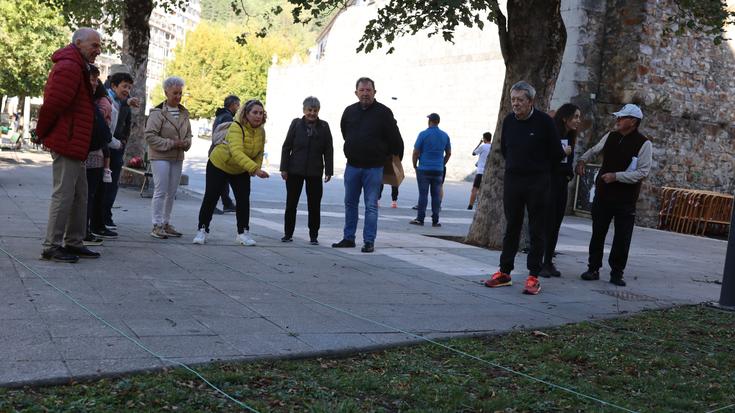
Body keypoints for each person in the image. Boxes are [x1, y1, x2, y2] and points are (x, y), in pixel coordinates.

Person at [483, 81, 565, 295]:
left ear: (531, 101)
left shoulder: (545, 122)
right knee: (512, 226)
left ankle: (533, 276)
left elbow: (557, 154)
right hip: (513, 181)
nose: (516, 104)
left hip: (538, 182)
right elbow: (504, 150)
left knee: (536, 228)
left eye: (520, 100)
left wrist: (539, 169)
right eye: (513, 100)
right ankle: (504, 272)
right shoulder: (509, 121)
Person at [36, 28, 102, 262]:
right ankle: (51, 245)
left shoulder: (77, 65)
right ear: (78, 43)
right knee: (64, 195)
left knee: (79, 195)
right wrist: (41, 132)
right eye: (94, 45)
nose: (98, 50)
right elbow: (53, 104)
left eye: (99, 45)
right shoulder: (69, 66)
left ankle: (73, 241)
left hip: (75, 142)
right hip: (68, 140)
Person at [576, 104, 652, 287]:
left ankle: (617, 272)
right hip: (604, 194)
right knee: (597, 233)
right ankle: (593, 268)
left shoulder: (644, 143)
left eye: (621, 118)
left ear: (633, 121)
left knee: (622, 237)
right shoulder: (611, 136)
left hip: (625, 199)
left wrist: (617, 177)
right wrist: (582, 159)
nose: (617, 120)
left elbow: (643, 172)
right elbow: (596, 149)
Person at [332, 77, 404, 253]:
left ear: (374, 92)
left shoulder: (384, 113)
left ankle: (369, 241)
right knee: (350, 203)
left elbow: (395, 139)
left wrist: (390, 157)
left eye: (368, 90)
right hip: (352, 167)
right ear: (356, 92)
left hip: (374, 168)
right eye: (362, 90)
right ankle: (349, 238)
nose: (365, 93)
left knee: (371, 205)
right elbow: (344, 132)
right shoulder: (349, 111)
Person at [193, 99, 270, 245]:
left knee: (243, 200)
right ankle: (202, 230)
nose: (258, 116)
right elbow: (236, 152)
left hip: (241, 168)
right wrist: (255, 168)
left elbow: (259, 152)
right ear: (246, 114)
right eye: (254, 112)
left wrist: (255, 167)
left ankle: (243, 233)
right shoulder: (236, 127)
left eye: (261, 113)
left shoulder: (261, 131)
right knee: (211, 197)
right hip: (220, 164)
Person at [279, 96, 334, 245]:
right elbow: (286, 147)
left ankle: (313, 235)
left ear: (318, 111)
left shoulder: (324, 126)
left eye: (315, 110)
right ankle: (288, 234)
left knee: (314, 206)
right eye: (309, 110)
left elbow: (328, 149)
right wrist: (284, 168)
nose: (312, 113)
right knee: (291, 204)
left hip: (315, 172)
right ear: (304, 110)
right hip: (294, 171)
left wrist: (329, 170)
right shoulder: (296, 124)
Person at [145, 76, 192, 239]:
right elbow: (150, 136)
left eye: (180, 93)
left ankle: (166, 222)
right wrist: (171, 143)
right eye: (175, 93)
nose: (178, 96)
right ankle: (156, 224)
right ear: (166, 93)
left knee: (172, 191)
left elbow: (188, 134)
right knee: (161, 190)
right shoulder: (157, 113)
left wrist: (186, 143)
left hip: (177, 156)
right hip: (160, 156)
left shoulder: (184, 113)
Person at [539, 103, 580, 278]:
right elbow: (546, 160)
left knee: (555, 225)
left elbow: (567, 163)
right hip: (548, 184)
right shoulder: (552, 134)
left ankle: (548, 261)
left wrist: (569, 174)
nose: (579, 120)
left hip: (561, 184)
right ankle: (539, 262)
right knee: (545, 224)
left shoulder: (570, 136)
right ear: (565, 118)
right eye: (576, 117)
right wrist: (562, 153)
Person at [101, 68, 134, 233]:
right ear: (113, 83)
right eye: (125, 86)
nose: (127, 90)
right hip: (104, 147)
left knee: (112, 184)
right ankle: (97, 219)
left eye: (129, 87)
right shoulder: (105, 97)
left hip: (117, 148)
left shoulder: (126, 100)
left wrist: (123, 141)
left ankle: (106, 216)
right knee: (102, 184)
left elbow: (128, 123)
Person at [84, 67, 113, 246]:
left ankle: (83, 231)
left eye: (97, 80)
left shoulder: (96, 102)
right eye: (92, 79)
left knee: (89, 195)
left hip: (94, 153)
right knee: (85, 195)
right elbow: (101, 130)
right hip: (89, 153)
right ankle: (82, 232)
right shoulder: (97, 103)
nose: (95, 83)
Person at [410, 113, 451, 227]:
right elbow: (448, 153)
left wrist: (415, 165)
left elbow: (415, 152)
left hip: (424, 169)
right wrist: (442, 163)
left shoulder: (423, 134)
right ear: (438, 121)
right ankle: (435, 220)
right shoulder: (445, 135)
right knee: (436, 195)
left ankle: (420, 219)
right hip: (438, 169)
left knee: (423, 194)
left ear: (429, 121)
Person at [210, 95, 240, 214]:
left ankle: (227, 203)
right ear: (232, 105)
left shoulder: (220, 115)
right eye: (237, 105)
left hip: (216, 150)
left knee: (223, 180)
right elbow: (227, 136)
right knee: (221, 180)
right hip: (222, 151)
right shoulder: (227, 117)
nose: (238, 108)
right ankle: (219, 204)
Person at [468, 132, 492, 210]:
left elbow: (473, 153)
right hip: (489, 172)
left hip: (480, 172)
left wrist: (479, 143)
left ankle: (470, 206)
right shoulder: (492, 146)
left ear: (484, 138)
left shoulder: (483, 146)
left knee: (474, 189)